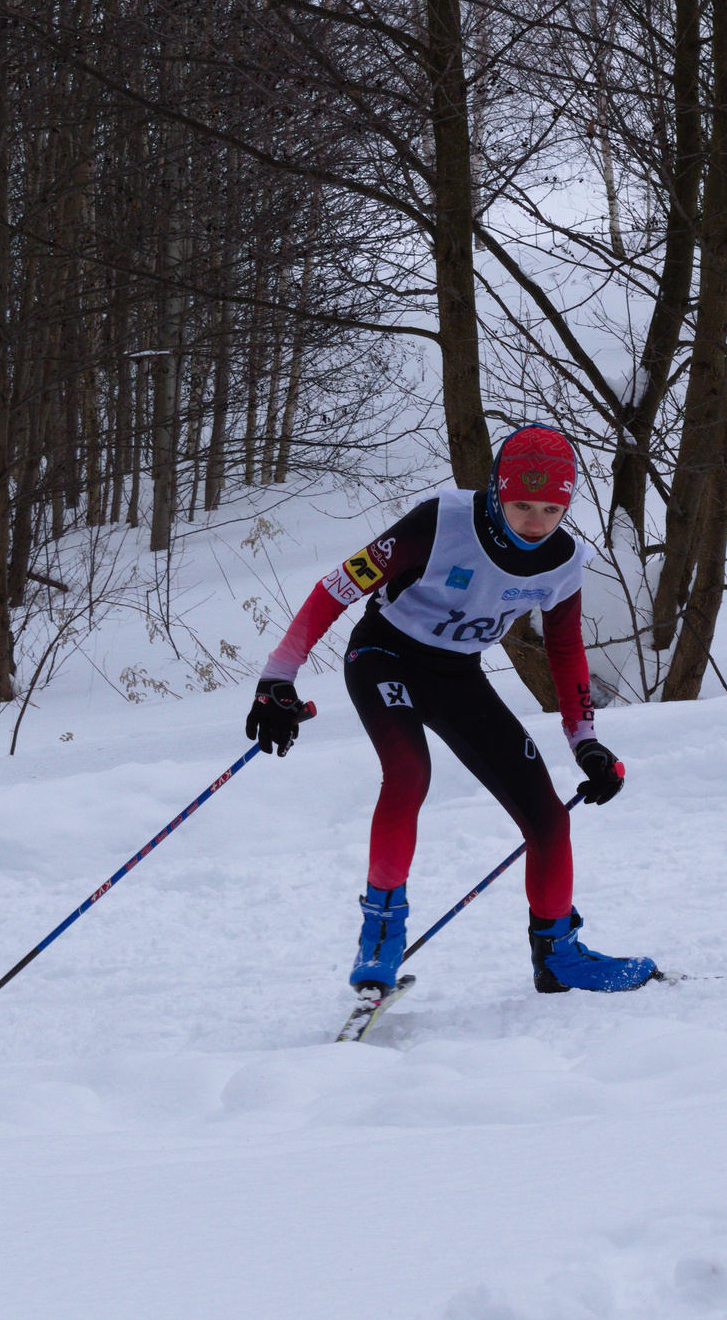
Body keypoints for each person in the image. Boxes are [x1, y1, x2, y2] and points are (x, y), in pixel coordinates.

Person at [244, 425, 656, 997]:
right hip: (384, 655)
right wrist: (278, 676)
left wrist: (584, 740)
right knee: (410, 773)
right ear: (495, 493)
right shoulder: (439, 521)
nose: (536, 522)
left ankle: (557, 954)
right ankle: (381, 938)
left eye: (551, 509)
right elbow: (339, 585)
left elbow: (565, 651)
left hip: (458, 675)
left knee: (547, 815)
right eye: (521, 506)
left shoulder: (564, 561)